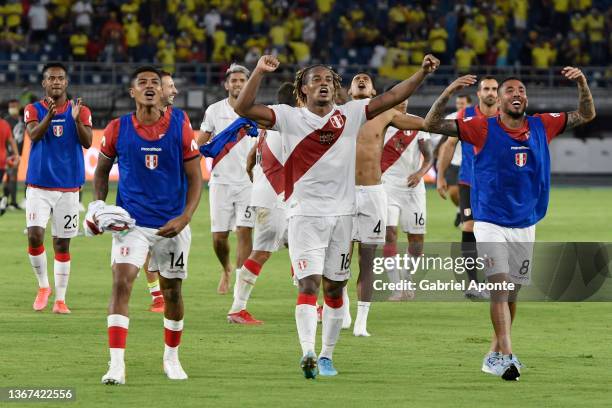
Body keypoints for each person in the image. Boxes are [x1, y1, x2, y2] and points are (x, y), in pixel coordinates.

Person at [235, 54, 439, 378]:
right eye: (315, 80)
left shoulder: (352, 114)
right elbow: (243, 108)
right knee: (308, 283)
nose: (324, 84)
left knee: (334, 287)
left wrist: (422, 73)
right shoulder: (288, 117)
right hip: (304, 217)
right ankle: (308, 352)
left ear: (335, 87)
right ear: (303, 89)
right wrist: (259, 71)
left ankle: (328, 356)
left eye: (328, 80)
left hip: (343, 218)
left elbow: (393, 97)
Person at [424, 67, 595, 381]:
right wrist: (448, 91)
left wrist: (582, 82)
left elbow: (586, 113)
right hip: (489, 221)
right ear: (498, 101)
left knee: (512, 294)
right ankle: (508, 355)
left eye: (521, 91)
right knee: (500, 289)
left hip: (525, 221)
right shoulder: (480, 127)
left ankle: (494, 353)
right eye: (510, 91)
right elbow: (432, 123)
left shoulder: (542, 125)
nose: (517, 95)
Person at [94, 66, 201, 384]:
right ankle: (116, 365)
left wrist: (185, 217)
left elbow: (195, 178)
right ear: (133, 92)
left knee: (172, 292)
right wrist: (100, 206)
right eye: (143, 83)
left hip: (172, 225)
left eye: (155, 82)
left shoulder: (180, 126)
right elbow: (101, 172)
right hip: (132, 224)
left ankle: (171, 358)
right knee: (121, 282)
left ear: (163, 90)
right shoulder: (117, 128)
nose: (150, 86)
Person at [348, 73, 427, 336]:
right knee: (337, 260)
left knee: (369, 258)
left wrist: (437, 83)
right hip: (348, 192)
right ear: (348, 91)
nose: (361, 79)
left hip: (376, 192)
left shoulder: (386, 116)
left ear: (373, 93)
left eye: (366, 79)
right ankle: (337, 308)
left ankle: (362, 320)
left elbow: (427, 125)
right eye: (356, 79)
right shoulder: (336, 114)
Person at [23, 62, 93, 314]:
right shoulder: (33, 109)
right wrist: (50, 117)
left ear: (66, 83)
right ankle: (43, 287)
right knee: (34, 235)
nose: (56, 82)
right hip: (39, 185)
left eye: (60, 78)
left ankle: (60, 300)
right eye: (51, 78)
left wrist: (74, 121)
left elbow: (87, 142)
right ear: (44, 83)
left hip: (68, 188)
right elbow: (33, 135)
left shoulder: (80, 110)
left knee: (62, 244)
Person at [227, 82, 296, 324]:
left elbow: (251, 156)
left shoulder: (272, 121)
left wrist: (252, 171)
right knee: (262, 253)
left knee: (300, 248)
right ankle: (237, 308)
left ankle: (312, 304)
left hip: (274, 196)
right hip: (274, 198)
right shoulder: (288, 122)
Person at [436, 77, 499, 299]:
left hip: (498, 185)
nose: (490, 92)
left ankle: (497, 280)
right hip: (469, 182)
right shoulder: (465, 115)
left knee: (495, 233)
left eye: (494, 89)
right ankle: (473, 283)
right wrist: (441, 176)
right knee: (469, 228)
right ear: (479, 94)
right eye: (486, 89)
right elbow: (449, 144)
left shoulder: (507, 116)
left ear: (498, 93)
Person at [198, 64, 257, 295]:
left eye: (243, 80)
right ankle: (226, 269)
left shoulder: (256, 110)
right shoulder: (214, 110)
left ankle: (240, 289)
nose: (238, 84)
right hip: (221, 181)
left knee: (244, 231)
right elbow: (200, 143)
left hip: (248, 183)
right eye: (234, 81)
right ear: (226, 85)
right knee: (219, 237)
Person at [381, 97, 434, 302]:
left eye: (406, 100)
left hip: (413, 189)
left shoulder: (417, 122)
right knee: (389, 234)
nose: (403, 103)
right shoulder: (380, 124)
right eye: (399, 100)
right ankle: (396, 287)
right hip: (386, 187)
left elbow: (429, 156)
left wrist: (421, 173)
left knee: (417, 241)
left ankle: (407, 277)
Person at [140, 70, 179, 314]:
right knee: (145, 247)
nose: (174, 90)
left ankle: (166, 293)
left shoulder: (178, 119)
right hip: (144, 196)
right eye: (171, 86)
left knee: (168, 249)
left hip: (172, 197)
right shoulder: (140, 120)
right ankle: (156, 296)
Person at [431, 95, 471, 226]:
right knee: (453, 193)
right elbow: (443, 138)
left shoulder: (476, 118)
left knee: (470, 194)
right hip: (454, 160)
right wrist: (437, 151)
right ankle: (459, 210)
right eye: (458, 103)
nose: (460, 106)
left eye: (463, 103)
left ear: (469, 104)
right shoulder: (451, 118)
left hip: (470, 162)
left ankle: (467, 217)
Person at [3, 99, 25, 210]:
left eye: (14, 106)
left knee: (9, 178)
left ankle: (5, 200)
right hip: (10, 153)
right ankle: (12, 202)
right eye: (10, 106)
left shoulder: (22, 120)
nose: (12, 108)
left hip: (20, 152)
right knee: (12, 176)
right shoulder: (7, 121)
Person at [0, 116, 19, 215]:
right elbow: (12, 140)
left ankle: (1, 201)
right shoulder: (5, 124)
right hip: (2, 161)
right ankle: (2, 201)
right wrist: (16, 155)